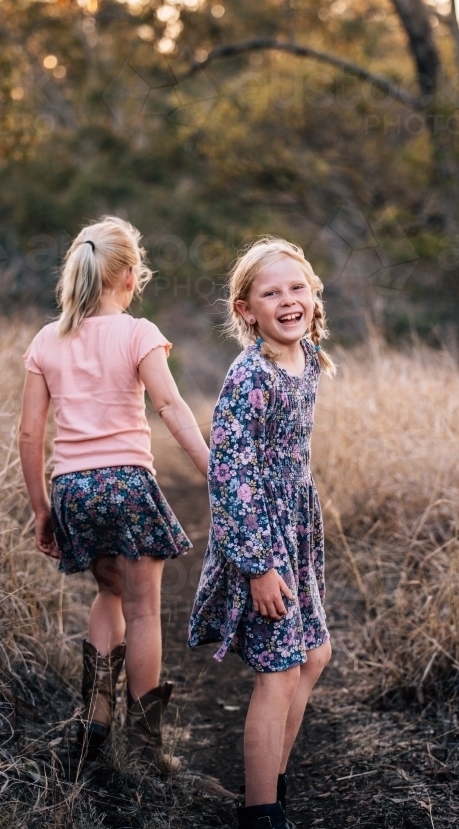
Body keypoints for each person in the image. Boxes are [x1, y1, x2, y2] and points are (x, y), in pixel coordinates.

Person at [19, 216, 209, 775]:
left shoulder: (46, 339)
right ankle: (147, 750)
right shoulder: (138, 332)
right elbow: (170, 406)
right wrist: (213, 470)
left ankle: (93, 728)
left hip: (73, 489)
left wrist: (41, 509)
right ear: (129, 275)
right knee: (144, 609)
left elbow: (30, 434)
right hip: (126, 483)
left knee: (107, 595)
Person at [189, 236, 336, 829]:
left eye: (297, 287)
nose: (288, 300)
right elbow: (229, 473)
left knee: (314, 654)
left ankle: (272, 775)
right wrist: (257, 565)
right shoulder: (252, 374)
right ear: (246, 310)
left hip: (293, 529)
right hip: (261, 538)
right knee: (277, 672)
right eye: (270, 293)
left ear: (313, 295)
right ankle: (261, 810)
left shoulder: (307, 358)